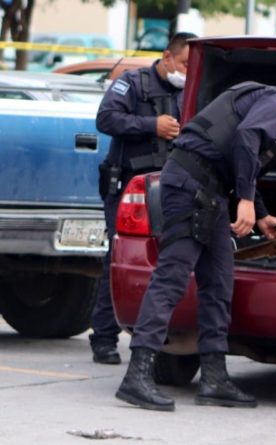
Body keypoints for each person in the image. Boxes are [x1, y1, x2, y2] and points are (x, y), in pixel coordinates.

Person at [114, 82, 276, 411]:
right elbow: (247, 136)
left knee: (219, 283)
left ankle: (214, 378)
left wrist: (261, 214)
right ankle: (137, 374)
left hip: (212, 193)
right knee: (172, 277)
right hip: (190, 185)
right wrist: (244, 200)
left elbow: (244, 159)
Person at [91, 32, 197, 365]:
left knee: (169, 263)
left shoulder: (192, 91)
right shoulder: (133, 83)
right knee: (120, 258)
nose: (188, 72)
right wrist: (152, 125)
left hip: (171, 189)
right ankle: (104, 338)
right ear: (167, 57)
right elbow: (106, 118)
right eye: (184, 64)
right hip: (129, 188)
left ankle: (163, 337)